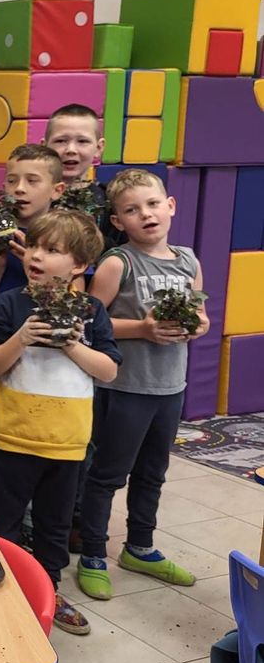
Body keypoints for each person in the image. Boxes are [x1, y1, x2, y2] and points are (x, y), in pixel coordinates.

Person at [0, 209, 120, 635]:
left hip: (67, 441)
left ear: (79, 265)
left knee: (54, 524)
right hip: (15, 436)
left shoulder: (91, 310)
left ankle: (49, 591)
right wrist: (21, 338)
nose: (36, 255)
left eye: (52, 249)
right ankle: (4, 592)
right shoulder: (10, 303)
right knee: (5, 522)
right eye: (35, 246)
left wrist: (73, 346)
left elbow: (109, 370)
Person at [76, 169, 207, 600]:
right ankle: (93, 554)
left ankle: (140, 546)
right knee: (108, 474)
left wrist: (198, 325)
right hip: (125, 388)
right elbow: (90, 323)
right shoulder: (119, 262)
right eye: (132, 209)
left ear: (170, 206)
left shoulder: (188, 260)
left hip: (170, 388)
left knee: (153, 472)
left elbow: (200, 315)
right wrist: (143, 330)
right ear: (118, 221)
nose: (146, 214)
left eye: (152, 204)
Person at [0, 143, 66, 519]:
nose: (19, 189)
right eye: (11, 180)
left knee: (41, 453)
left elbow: (78, 298)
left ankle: (30, 527)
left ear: (57, 189)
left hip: (52, 368)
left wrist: (32, 262)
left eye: (32, 180)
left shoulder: (67, 236)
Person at [43, 103, 123, 250]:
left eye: (82, 141)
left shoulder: (111, 202)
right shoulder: (32, 197)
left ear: (98, 148)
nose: (71, 150)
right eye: (61, 141)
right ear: (44, 146)